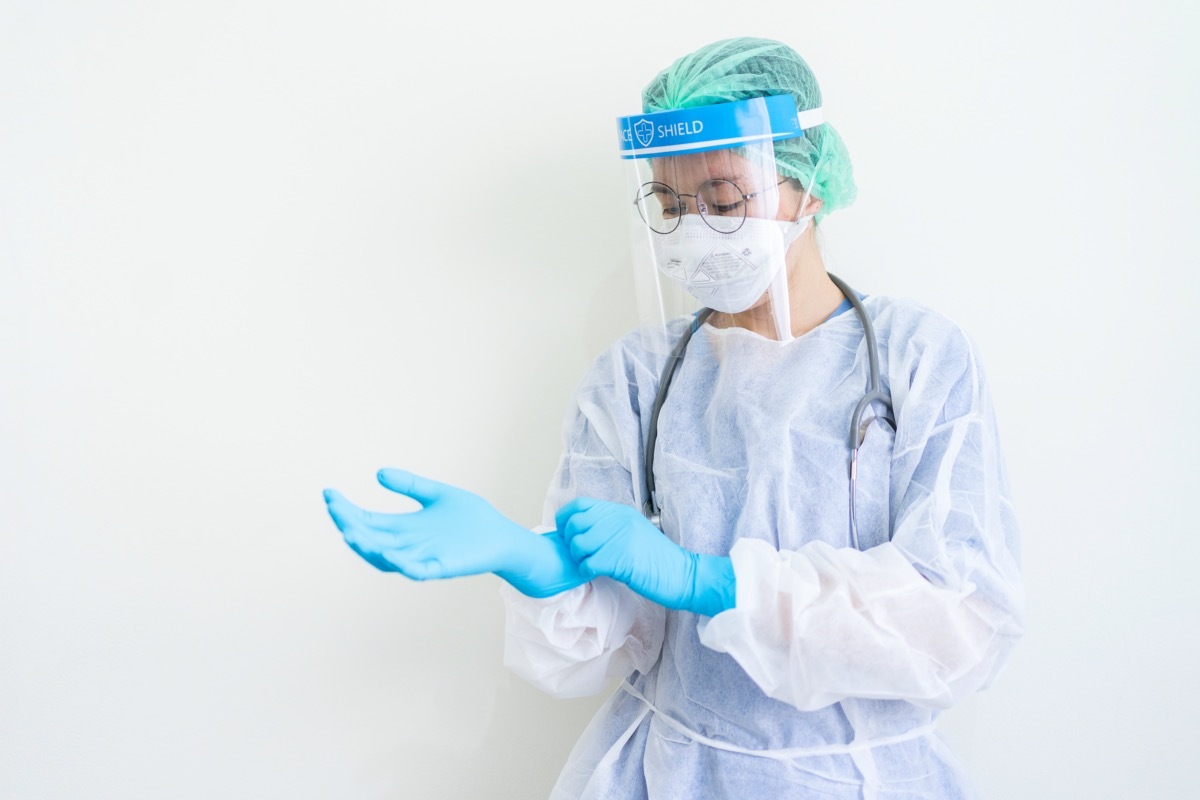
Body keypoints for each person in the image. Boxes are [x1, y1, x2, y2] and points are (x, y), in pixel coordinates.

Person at [322, 37, 1024, 799]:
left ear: (811, 184)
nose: (695, 228)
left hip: (864, 779)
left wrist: (715, 584)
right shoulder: (636, 379)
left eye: (725, 201)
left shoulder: (919, 359)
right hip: (668, 774)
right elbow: (593, 648)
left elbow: (959, 620)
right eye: (669, 204)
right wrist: (541, 571)